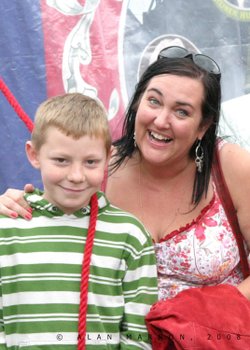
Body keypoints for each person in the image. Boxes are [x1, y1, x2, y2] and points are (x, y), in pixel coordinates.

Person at [1, 46, 250, 302]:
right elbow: (49, 235)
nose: (161, 120)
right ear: (137, 102)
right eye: (153, 101)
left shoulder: (229, 166)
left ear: (203, 126)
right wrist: (13, 208)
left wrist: (210, 312)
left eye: (182, 111)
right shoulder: (95, 169)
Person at [0, 93, 158, 349]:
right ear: (34, 154)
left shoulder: (130, 235)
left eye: (90, 162)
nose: (76, 176)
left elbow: (140, 335)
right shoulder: (7, 228)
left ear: (108, 157)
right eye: (61, 160)